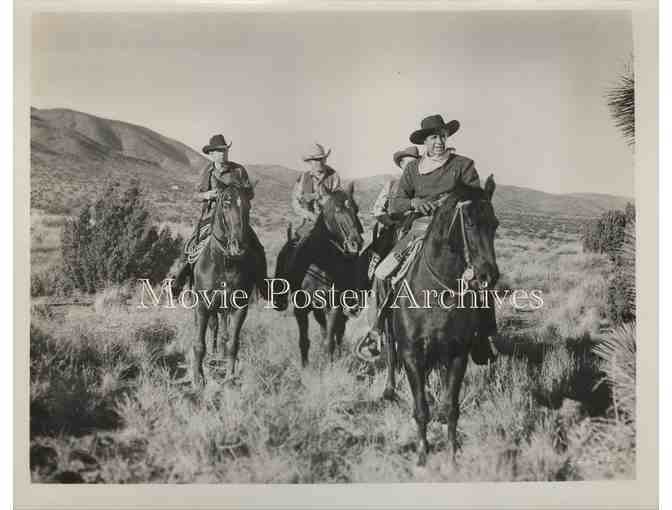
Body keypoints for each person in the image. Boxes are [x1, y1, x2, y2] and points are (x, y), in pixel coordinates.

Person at [357, 114, 498, 364]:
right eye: (434, 137)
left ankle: (483, 335)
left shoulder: (463, 165)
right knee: (381, 274)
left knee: (482, 276)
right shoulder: (413, 169)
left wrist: (450, 204)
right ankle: (376, 331)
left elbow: (475, 199)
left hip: (455, 236)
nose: (439, 142)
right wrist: (415, 203)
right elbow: (397, 203)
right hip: (418, 232)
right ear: (425, 141)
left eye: (442, 136)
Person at [174, 134, 269, 298]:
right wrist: (208, 194)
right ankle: (179, 281)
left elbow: (250, 193)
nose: (223, 154)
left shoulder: (239, 170)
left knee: (258, 248)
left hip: (235, 218)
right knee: (190, 246)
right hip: (211, 217)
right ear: (211, 154)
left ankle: (264, 286)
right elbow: (196, 195)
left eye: (224, 150)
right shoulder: (207, 171)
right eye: (219, 151)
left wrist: (240, 195)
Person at [273, 143, 342, 311]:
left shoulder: (334, 176)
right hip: (308, 223)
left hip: (329, 224)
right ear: (309, 162)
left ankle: (349, 293)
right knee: (287, 252)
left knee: (347, 251)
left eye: (321, 159)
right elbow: (295, 202)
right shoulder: (303, 178)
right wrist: (308, 214)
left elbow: (338, 199)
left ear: (325, 159)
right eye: (314, 160)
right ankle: (281, 294)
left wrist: (326, 209)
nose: (318, 162)